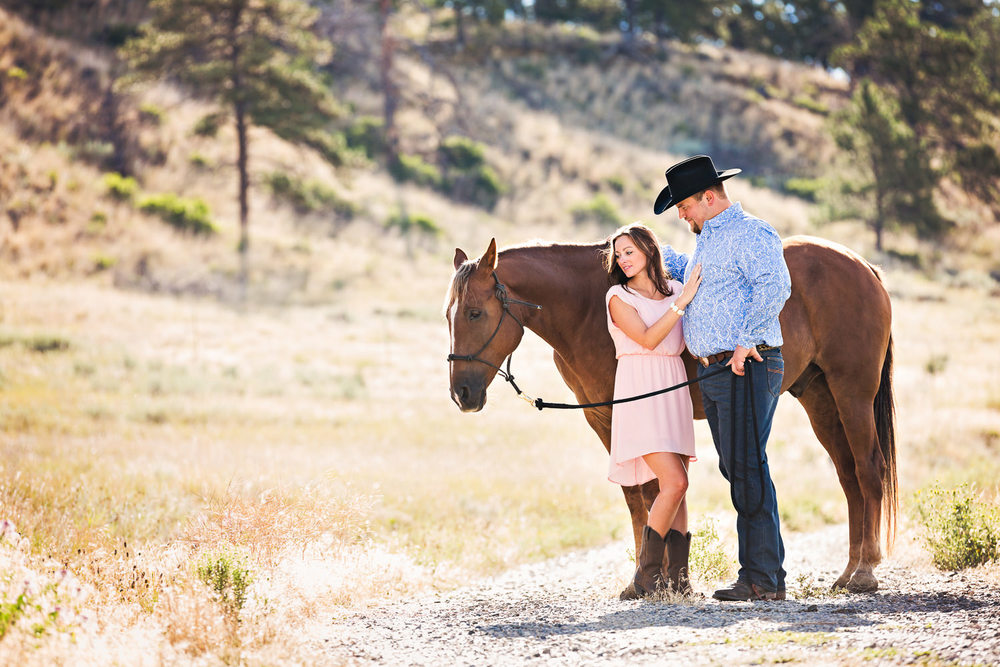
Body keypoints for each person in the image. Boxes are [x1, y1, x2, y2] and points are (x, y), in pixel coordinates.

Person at [652, 154, 791, 602]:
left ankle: (763, 579)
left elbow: (775, 284)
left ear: (708, 197)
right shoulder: (709, 239)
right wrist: (648, 252)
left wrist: (746, 338)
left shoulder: (750, 233)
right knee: (739, 467)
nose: (681, 214)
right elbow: (700, 279)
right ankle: (763, 574)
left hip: (744, 366)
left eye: (685, 206)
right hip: (718, 372)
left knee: (747, 467)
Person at [603, 223, 703, 598]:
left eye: (629, 251)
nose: (623, 259)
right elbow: (647, 339)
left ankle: (678, 582)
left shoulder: (676, 290)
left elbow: (686, 337)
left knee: (679, 486)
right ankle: (646, 578)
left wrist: (685, 297)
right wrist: (683, 302)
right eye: (619, 254)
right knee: (674, 482)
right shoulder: (618, 296)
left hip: (673, 390)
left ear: (648, 249)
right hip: (639, 391)